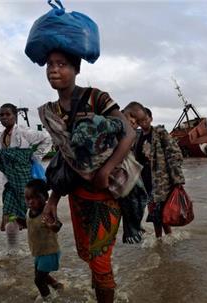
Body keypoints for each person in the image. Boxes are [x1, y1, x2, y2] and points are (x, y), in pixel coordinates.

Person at [37, 49, 135, 303]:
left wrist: (106, 169)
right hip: (78, 195)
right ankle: (98, 292)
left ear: (76, 69)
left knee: (100, 258)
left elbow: (128, 134)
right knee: (89, 254)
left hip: (107, 191)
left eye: (62, 64)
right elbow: (65, 159)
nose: (54, 69)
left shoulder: (96, 98)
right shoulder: (52, 111)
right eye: (50, 64)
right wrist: (52, 200)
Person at [124, 102, 185, 238]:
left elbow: (174, 154)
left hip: (160, 181)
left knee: (159, 212)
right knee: (156, 212)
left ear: (151, 119)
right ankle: (166, 240)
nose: (143, 123)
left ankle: (163, 239)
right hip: (145, 180)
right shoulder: (137, 136)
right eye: (141, 121)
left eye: (146, 120)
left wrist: (178, 180)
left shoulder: (159, 133)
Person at [0, 103, 48, 231]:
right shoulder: (0, 137)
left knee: (33, 211)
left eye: (8, 114)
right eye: (1, 115)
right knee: (9, 214)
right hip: (10, 182)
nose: (4, 117)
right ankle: (13, 248)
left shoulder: (24, 132)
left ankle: (38, 240)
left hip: (25, 180)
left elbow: (47, 138)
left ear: (15, 116)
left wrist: (36, 156)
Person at [25, 179, 63, 301]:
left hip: (49, 252)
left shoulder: (46, 213)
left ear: (45, 197)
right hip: (39, 252)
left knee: (38, 280)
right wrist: (19, 221)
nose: (30, 201)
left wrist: (52, 226)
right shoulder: (29, 212)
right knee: (41, 275)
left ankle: (48, 299)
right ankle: (56, 285)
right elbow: (31, 224)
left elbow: (58, 225)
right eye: (27, 198)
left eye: (34, 198)